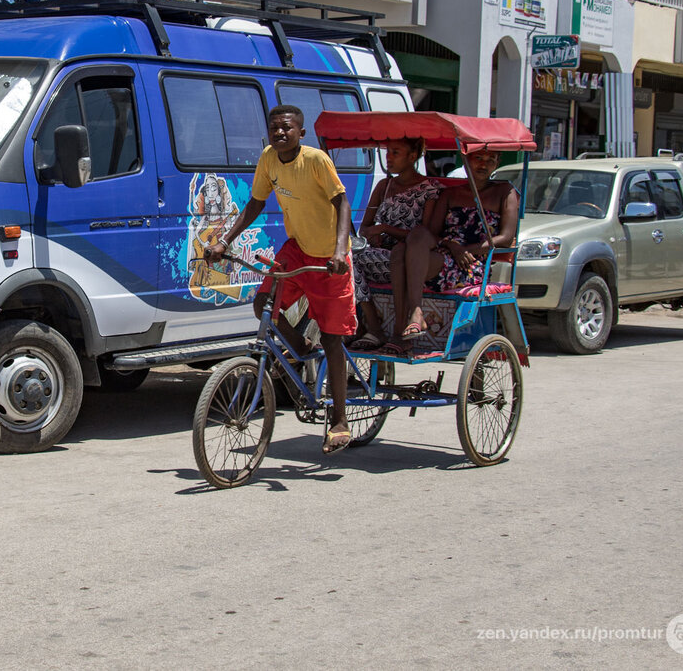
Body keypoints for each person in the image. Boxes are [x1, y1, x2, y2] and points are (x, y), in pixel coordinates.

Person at [205, 105, 357, 455]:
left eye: (287, 128)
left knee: (333, 340)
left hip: (330, 259)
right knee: (263, 304)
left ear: (301, 133)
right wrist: (224, 240)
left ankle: (339, 420)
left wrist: (338, 251)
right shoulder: (269, 159)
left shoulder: (316, 160)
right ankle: (303, 350)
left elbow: (343, 203)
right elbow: (255, 204)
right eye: (274, 128)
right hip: (298, 249)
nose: (280, 133)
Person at [389, 148, 519, 352]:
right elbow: (432, 233)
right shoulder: (450, 193)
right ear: (467, 161)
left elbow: (506, 237)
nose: (483, 164)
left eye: (490, 160)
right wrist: (453, 247)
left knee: (403, 255)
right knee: (406, 244)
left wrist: (466, 250)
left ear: (497, 163)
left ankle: (409, 321)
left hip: (471, 264)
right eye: (478, 159)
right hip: (446, 253)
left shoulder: (505, 191)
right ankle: (408, 320)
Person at [349, 138, 442, 351]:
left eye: (395, 153)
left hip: (412, 259)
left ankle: (396, 326)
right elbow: (365, 228)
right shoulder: (384, 186)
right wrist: (372, 234)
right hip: (380, 256)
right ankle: (372, 324)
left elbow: (426, 234)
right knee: (345, 256)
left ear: (412, 157)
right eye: (388, 152)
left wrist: (385, 229)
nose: (389, 158)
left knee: (400, 252)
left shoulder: (429, 189)